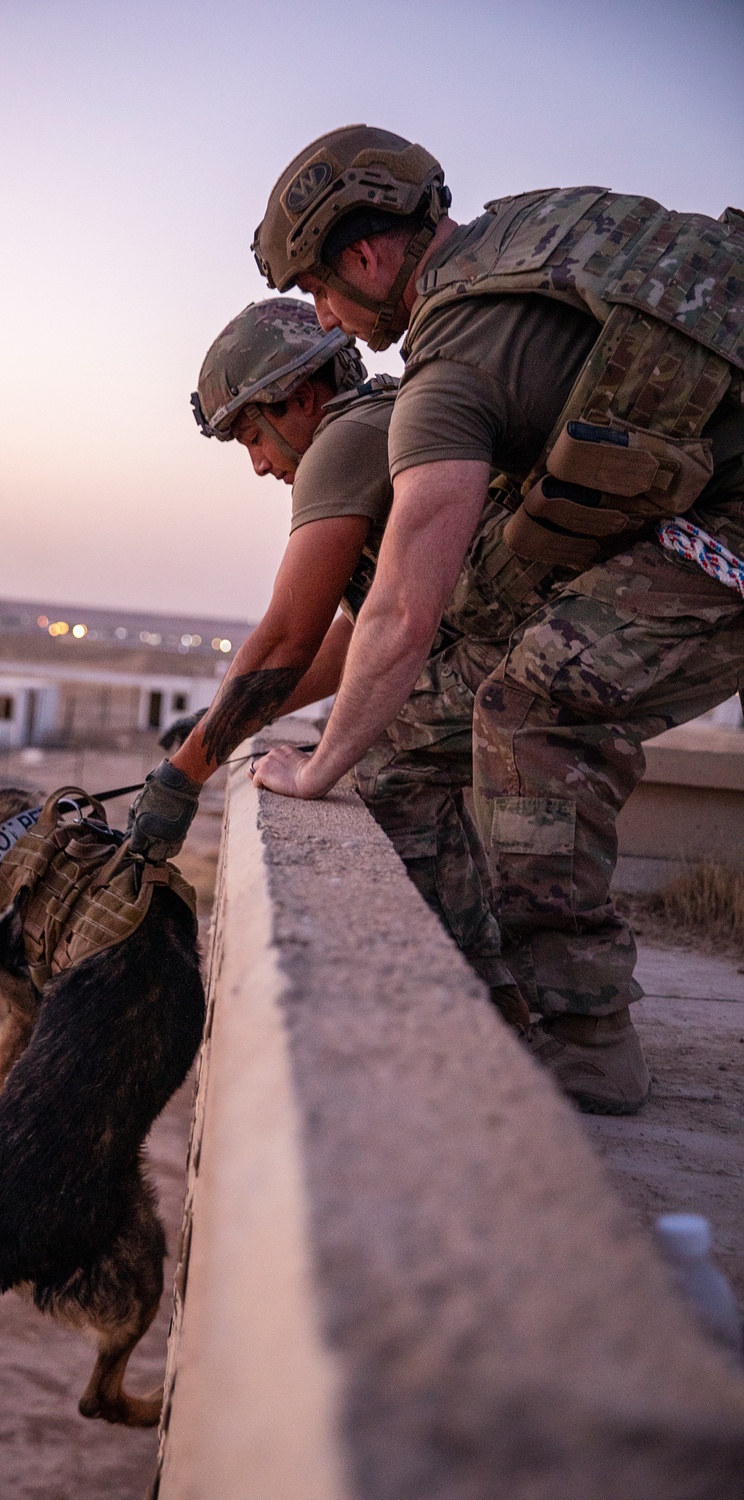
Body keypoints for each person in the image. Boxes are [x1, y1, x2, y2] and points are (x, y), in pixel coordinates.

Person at [236, 124, 744, 1114]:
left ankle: (585, 1036)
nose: (325, 317)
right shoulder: (536, 241)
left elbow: (401, 608)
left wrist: (323, 764)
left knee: (530, 710)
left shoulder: (450, 368)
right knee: (486, 698)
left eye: (316, 289)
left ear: (369, 255)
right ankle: (503, 988)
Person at [129, 297, 575, 1036]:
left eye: (252, 435)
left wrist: (183, 776)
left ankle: (483, 1003)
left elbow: (286, 640)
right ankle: (494, 993)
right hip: (531, 650)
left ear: (301, 399)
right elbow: (351, 634)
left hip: (536, 665)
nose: (258, 464)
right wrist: (222, 722)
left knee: (387, 754)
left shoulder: (344, 440)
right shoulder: (384, 420)